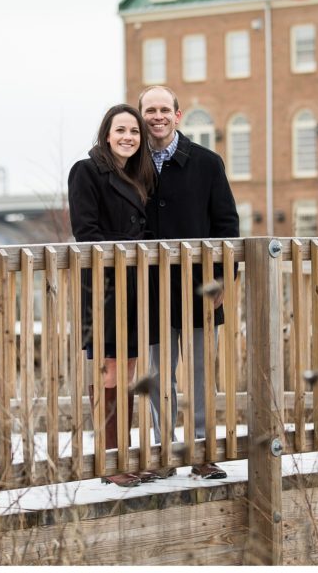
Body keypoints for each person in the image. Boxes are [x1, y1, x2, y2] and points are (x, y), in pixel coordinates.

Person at [139, 85, 239, 480]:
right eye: (150, 110)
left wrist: (220, 281)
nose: (157, 116)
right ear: (142, 114)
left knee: (200, 376)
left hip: (200, 291)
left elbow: (227, 226)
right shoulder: (131, 164)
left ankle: (201, 452)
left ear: (178, 115)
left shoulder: (207, 163)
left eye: (165, 109)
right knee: (158, 376)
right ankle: (164, 452)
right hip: (149, 292)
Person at [67, 103, 158, 487]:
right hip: (104, 284)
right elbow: (85, 232)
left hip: (137, 283)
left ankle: (123, 454)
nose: (128, 137)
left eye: (135, 132)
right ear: (107, 134)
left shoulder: (138, 174)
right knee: (110, 369)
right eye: (121, 130)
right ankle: (111, 461)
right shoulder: (87, 170)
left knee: (131, 368)